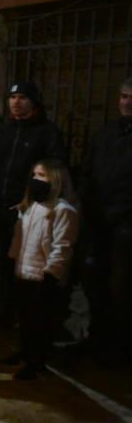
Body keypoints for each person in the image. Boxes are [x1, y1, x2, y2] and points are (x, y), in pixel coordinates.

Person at [0, 81, 66, 326]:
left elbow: (53, 172)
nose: (16, 102)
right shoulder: (3, 131)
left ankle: (27, 322)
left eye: (22, 97)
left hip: (29, 211)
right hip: (0, 208)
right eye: (12, 97)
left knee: (27, 268)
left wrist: (31, 201)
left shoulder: (46, 132)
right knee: (1, 263)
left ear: (33, 102)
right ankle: (3, 313)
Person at [7, 159, 78, 380]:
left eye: (43, 176)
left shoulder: (63, 210)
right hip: (23, 271)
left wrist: (51, 274)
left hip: (43, 276)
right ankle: (25, 351)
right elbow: (20, 239)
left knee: (40, 322)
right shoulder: (29, 206)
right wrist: (14, 260)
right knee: (25, 318)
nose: (37, 180)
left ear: (55, 180)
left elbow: (62, 246)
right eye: (35, 175)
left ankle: (36, 362)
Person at [80, 77, 132, 365]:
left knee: (122, 289)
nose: (127, 102)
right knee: (95, 283)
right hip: (98, 223)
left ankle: (120, 349)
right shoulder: (106, 133)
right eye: (124, 96)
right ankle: (97, 339)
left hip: (126, 227)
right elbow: (89, 171)